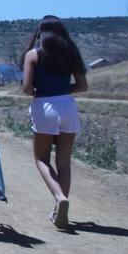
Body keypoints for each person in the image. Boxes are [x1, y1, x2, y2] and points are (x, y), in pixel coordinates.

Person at [21, 15, 88, 229]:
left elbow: (26, 87)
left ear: (41, 33)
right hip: (68, 107)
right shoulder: (71, 54)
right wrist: (62, 90)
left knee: (41, 159)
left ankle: (60, 198)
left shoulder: (33, 55)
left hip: (44, 107)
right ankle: (60, 208)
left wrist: (40, 91)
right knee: (64, 162)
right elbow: (82, 86)